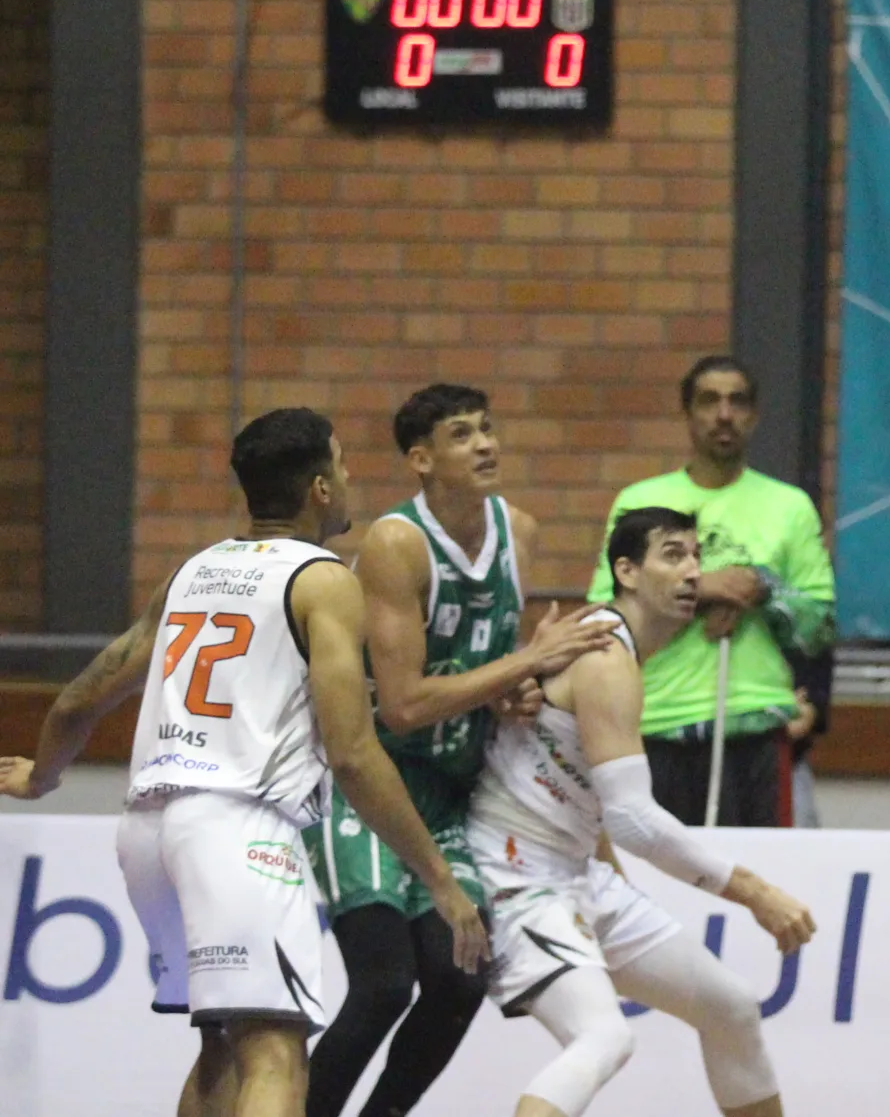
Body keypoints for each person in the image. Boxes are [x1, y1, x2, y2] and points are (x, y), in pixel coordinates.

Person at [0, 407, 490, 1117]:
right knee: (276, 1052)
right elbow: (353, 752)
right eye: (345, 465)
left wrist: (41, 774)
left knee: (225, 1047)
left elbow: (84, 696)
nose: (351, 479)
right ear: (320, 487)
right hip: (239, 831)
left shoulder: (192, 572)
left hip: (145, 834)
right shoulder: (325, 580)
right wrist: (439, 877)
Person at [304, 383, 616, 1117]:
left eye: (487, 428)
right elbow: (406, 704)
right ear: (420, 458)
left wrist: (517, 691)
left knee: (457, 983)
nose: (484, 444)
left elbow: (486, 668)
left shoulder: (522, 530)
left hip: (453, 791)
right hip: (376, 782)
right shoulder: (395, 541)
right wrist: (525, 665)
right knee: (384, 983)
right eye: (460, 434)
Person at [472, 506, 817, 1117]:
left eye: (696, 556)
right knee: (604, 1037)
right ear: (626, 571)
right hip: (515, 875)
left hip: (575, 873)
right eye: (672, 555)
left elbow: (587, 795)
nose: (692, 572)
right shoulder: (606, 655)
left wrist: (605, 874)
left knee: (731, 1007)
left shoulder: (619, 649)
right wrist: (756, 892)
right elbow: (634, 819)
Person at [586, 356, 836, 828]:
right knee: (657, 887)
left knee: (761, 885)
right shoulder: (639, 502)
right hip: (655, 722)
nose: (724, 414)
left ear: (754, 416)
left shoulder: (789, 507)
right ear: (687, 414)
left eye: (737, 401)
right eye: (709, 401)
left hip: (755, 724)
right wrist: (700, 591)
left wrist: (760, 587)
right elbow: (603, 620)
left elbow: (819, 628)